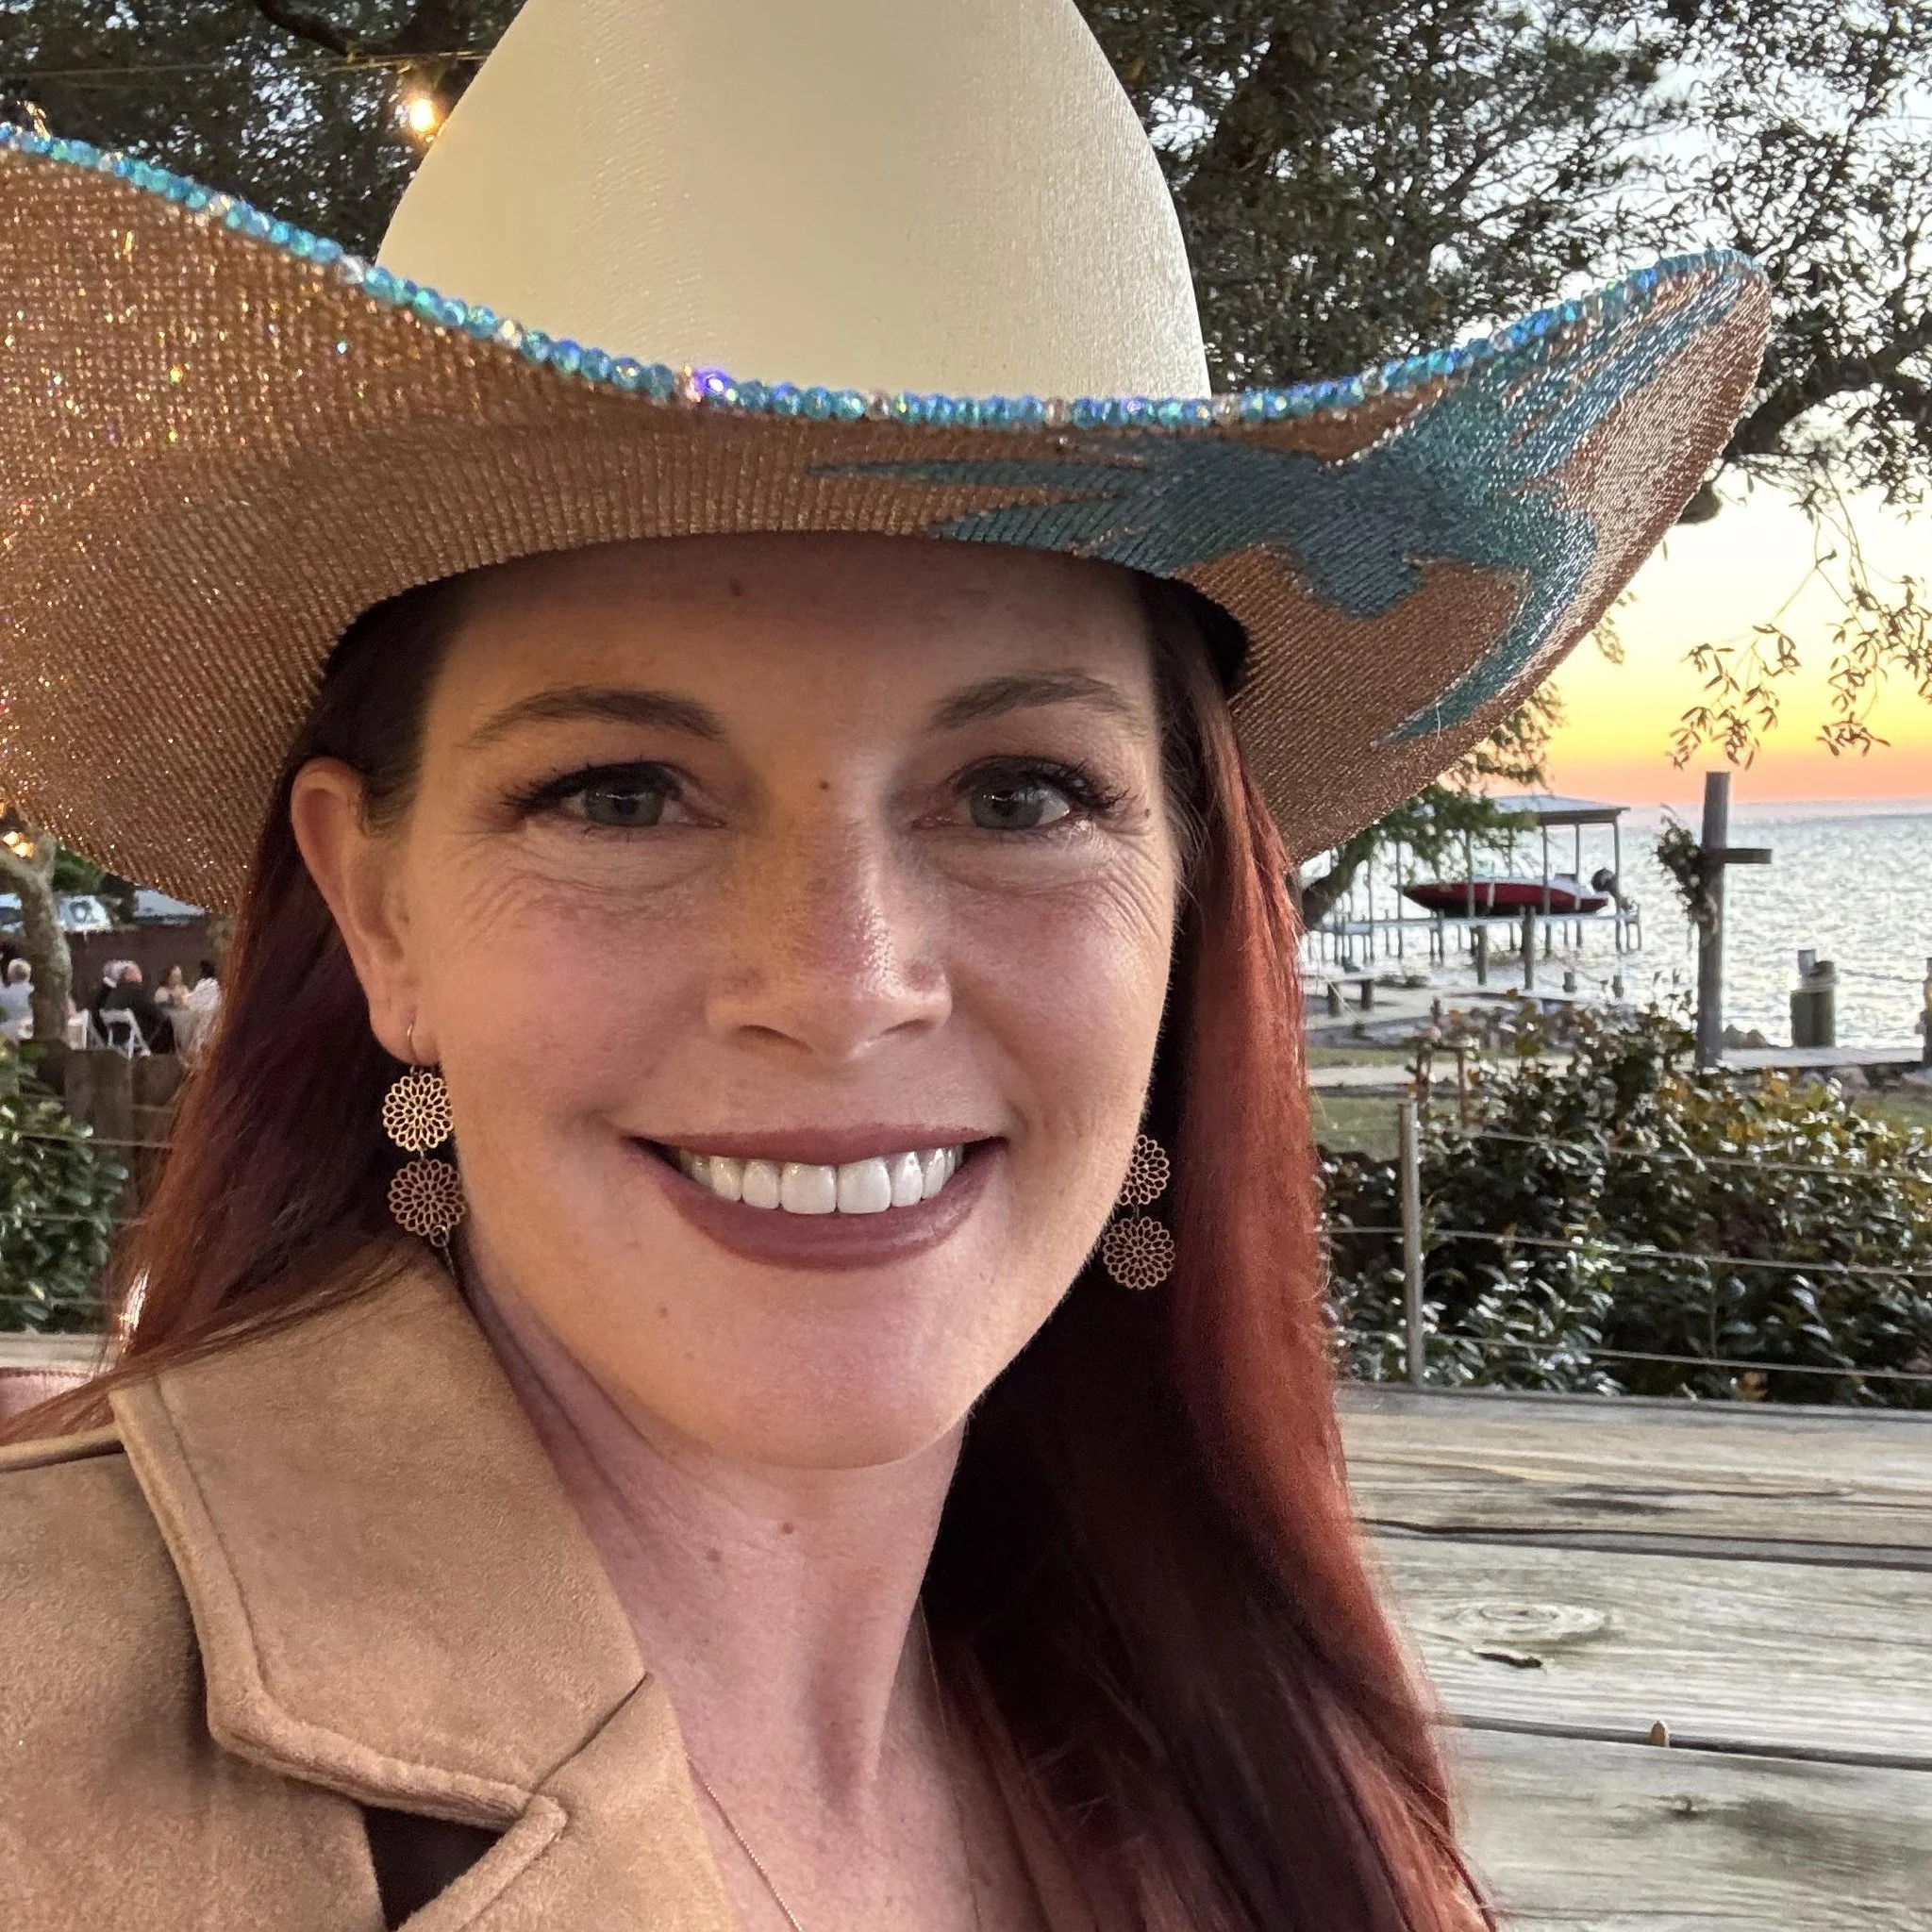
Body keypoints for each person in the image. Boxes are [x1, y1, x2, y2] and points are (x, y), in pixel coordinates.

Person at [0, 1, 1765, 1926]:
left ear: (1186, 901)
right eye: (619, 793)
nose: (839, 983)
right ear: (379, 911)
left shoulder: (1246, 1761)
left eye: (1014, 794)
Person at [99, 960, 175, 1056]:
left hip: (117, 1039)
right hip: (136, 1039)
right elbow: (156, 1013)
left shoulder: (114, 993)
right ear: (127, 976)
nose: (140, 974)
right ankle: (167, 1060)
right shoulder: (135, 991)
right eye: (137, 971)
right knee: (167, 1022)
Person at [0, 958, 30, 1044]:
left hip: (10, 1032)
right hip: (31, 1030)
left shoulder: (4, 996)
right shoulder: (36, 993)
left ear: (9, 975)